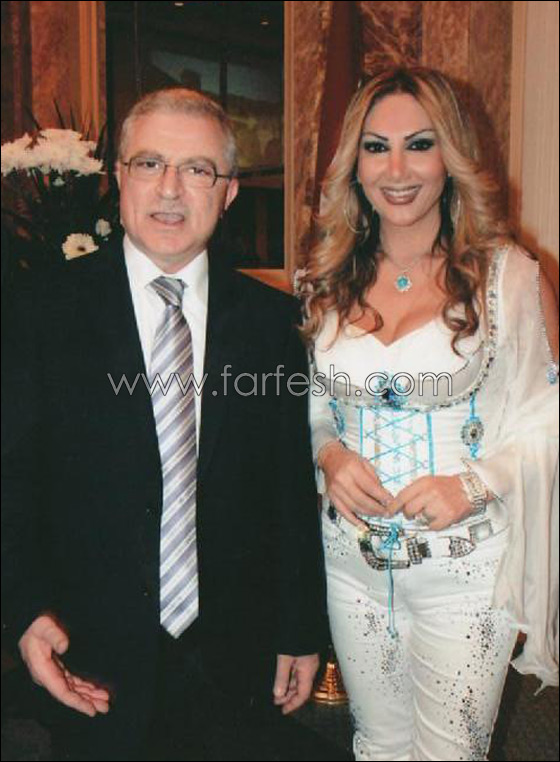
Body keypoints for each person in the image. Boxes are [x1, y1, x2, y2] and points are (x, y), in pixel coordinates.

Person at [1, 89, 329, 761]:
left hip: (237, 665)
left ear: (229, 192)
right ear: (118, 178)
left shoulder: (275, 324)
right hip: (86, 658)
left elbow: (290, 489)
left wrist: (300, 625)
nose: (171, 189)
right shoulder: (38, 311)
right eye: (150, 164)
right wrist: (25, 612)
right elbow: (12, 479)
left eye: (197, 169)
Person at [299, 66, 559, 761]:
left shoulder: (510, 277)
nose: (397, 170)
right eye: (376, 147)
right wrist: (329, 454)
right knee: (376, 745)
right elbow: (317, 403)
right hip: (350, 563)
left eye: (420, 144)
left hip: (465, 571)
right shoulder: (326, 276)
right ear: (354, 162)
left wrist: (472, 484)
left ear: (452, 155)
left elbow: (551, 416)